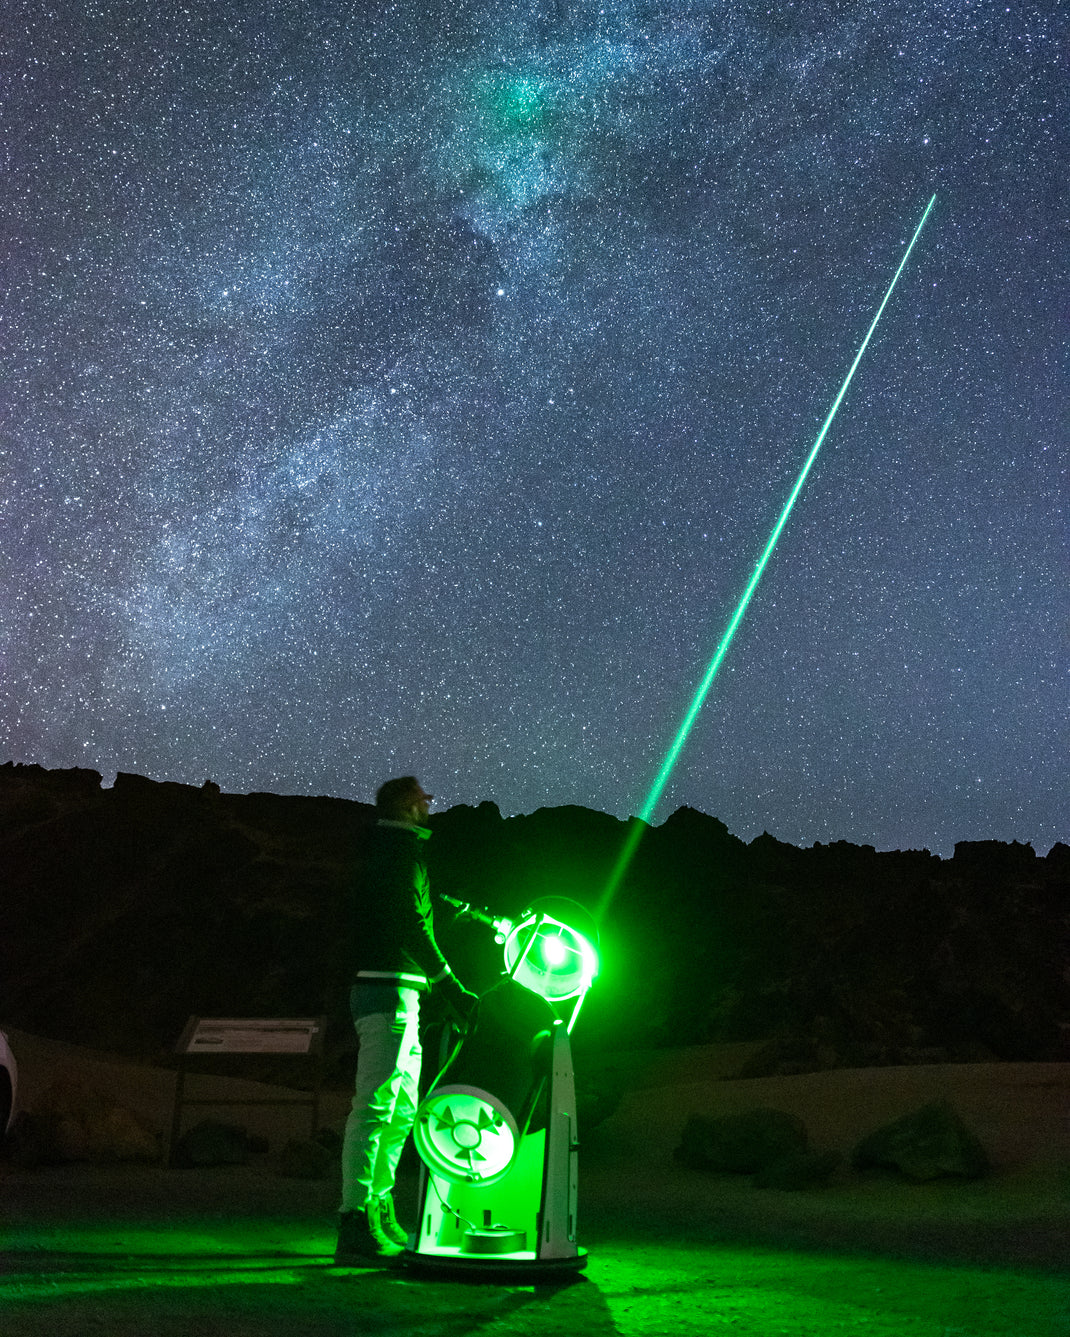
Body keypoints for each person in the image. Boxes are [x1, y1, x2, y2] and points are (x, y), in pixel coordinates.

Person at [335, 776, 476, 1265]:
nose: (428, 805)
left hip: (395, 989)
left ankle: (378, 1209)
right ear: (407, 807)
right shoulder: (398, 853)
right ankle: (356, 1220)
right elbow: (408, 921)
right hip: (386, 989)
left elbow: (404, 914)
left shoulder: (390, 850)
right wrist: (449, 982)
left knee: (398, 1109)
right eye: (422, 800)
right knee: (376, 1106)